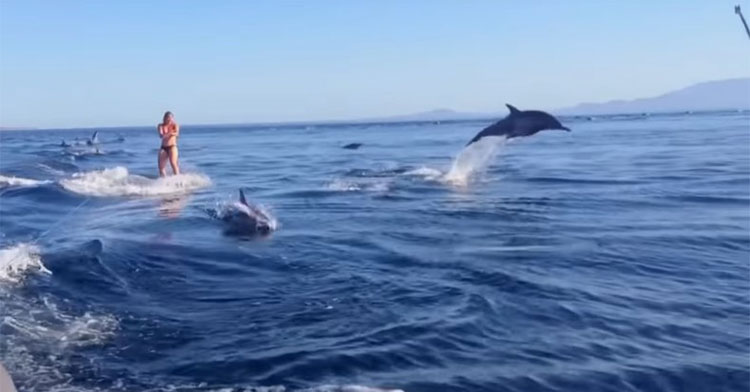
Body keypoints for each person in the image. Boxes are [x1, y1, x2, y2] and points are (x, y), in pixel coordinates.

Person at [158, 111, 180, 176]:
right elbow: (161, 135)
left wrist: (170, 134)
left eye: (170, 118)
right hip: (164, 147)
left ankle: (178, 179)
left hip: (172, 146)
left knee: (173, 163)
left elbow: (176, 133)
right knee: (161, 167)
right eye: (167, 118)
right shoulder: (160, 125)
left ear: (172, 118)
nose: (169, 119)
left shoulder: (175, 125)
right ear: (164, 118)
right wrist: (170, 133)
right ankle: (164, 180)